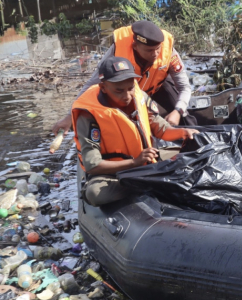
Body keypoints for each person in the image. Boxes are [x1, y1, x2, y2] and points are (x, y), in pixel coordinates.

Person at [72, 57, 199, 207]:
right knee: (95, 194)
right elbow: (93, 165)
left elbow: (161, 128)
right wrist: (134, 162)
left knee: (195, 157)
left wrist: (184, 132)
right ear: (103, 87)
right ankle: (150, 185)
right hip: (113, 174)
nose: (127, 96)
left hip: (146, 162)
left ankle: (150, 183)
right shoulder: (89, 115)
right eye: (118, 91)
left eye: (130, 88)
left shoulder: (139, 97)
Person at [52, 20, 194, 135]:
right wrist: (69, 116)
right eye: (149, 50)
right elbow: (92, 85)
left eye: (158, 49)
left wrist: (178, 111)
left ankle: (195, 142)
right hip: (127, 92)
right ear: (135, 46)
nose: (155, 54)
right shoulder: (117, 51)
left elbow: (185, 87)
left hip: (157, 86)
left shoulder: (168, 50)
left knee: (185, 114)